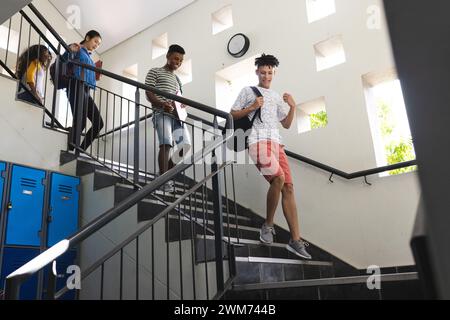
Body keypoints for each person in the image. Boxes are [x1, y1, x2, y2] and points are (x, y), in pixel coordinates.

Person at [230, 54, 312, 259]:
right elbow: (232, 114)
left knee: (289, 187)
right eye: (263, 72)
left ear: (273, 73)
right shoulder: (247, 91)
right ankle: (267, 225)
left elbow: (286, 124)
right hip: (256, 141)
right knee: (278, 177)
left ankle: (295, 241)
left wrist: (293, 106)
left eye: (270, 72)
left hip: (277, 143)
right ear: (257, 71)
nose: (266, 75)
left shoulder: (275, 96)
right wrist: (251, 107)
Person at [145, 44, 191, 192]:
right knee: (166, 144)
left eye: (181, 60)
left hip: (177, 117)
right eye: (175, 58)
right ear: (168, 56)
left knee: (185, 146)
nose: (178, 62)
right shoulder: (155, 72)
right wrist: (161, 103)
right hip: (162, 113)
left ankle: (163, 175)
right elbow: (149, 93)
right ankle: (164, 181)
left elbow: (179, 98)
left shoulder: (177, 79)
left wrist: (182, 104)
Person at [64, 30, 104, 152]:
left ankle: (80, 150)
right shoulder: (78, 48)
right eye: (95, 41)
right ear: (87, 37)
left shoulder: (89, 57)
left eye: (99, 44)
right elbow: (64, 58)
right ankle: (72, 151)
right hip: (76, 86)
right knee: (80, 122)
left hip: (86, 89)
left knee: (99, 123)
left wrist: (95, 75)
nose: (96, 45)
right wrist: (70, 50)